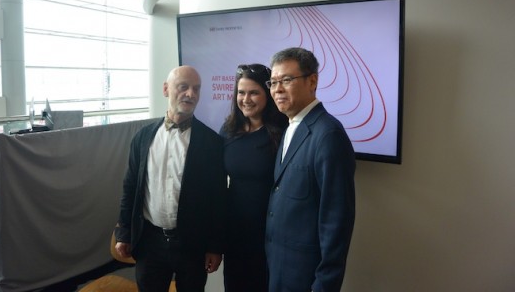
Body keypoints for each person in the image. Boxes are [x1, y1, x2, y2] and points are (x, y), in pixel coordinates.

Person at [114, 66, 226, 292]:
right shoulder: (143, 137)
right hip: (150, 242)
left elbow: (218, 199)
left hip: (192, 244)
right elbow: (131, 188)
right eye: (183, 87)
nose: (190, 94)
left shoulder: (211, 142)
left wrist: (215, 246)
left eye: (196, 89)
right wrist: (124, 232)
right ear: (166, 89)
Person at [264, 47, 356, 292]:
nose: (277, 89)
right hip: (280, 266)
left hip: (306, 277)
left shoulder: (329, 135)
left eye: (286, 80)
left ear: (312, 81)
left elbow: (337, 222)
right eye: (273, 82)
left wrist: (324, 285)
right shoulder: (291, 127)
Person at [219, 63, 288, 292]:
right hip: (235, 234)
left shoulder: (283, 132)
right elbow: (216, 184)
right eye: (241, 92)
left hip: (271, 235)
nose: (245, 99)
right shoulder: (228, 130)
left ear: (267, 94)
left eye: (253, 92)